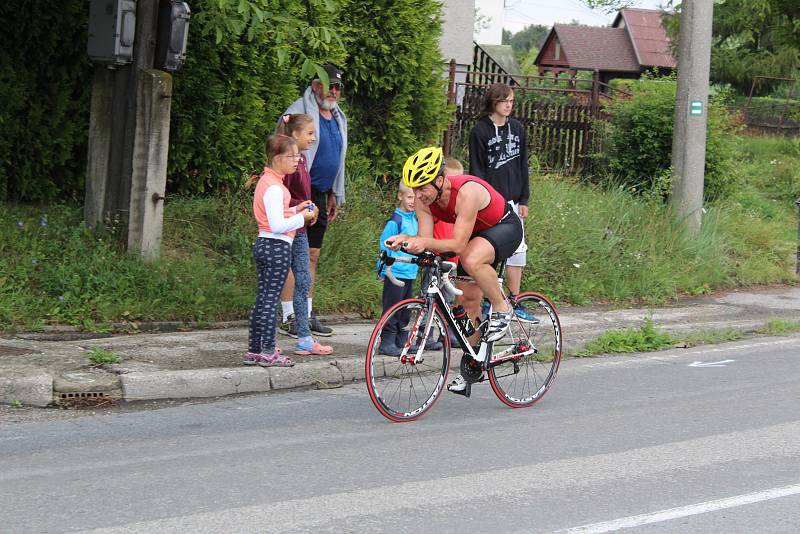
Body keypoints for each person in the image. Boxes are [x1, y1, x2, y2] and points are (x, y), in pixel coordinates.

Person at [385, 147, 523, 394]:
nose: (418, 195)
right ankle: (473, 365)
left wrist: (422, 242)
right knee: (467, 302)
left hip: (504, 227)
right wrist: (405, 241)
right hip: (476, 235)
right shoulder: (423, 200)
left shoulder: (465, 193)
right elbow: (427, 240)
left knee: (470, 258)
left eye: (423, 187)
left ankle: (502, 307)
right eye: (414, 189)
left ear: (440, 180)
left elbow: (458, 245)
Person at [280, 64, 348, 336]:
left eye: (337, 87)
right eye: (328, 85)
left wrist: (333, 193)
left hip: (320, 193)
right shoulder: (297, 112)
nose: (333, 91)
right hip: (296, 192)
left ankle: (306, 313)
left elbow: (337, 157)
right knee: (290, 254)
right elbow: (280, 151)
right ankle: (289, 315)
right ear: (314, 85)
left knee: (312, 255)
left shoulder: (338, 117)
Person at [242, 135, 316, 367]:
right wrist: (302, 217)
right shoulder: (274, 187)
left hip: (266, 245)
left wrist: (296, 207)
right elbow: (277, 225)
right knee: (269, 302)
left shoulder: (269, 182)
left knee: (263, 300)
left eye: (298, 156)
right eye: (291, 156)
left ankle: (254, 350)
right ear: (276, 158)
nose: (297, 160)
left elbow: (277, 215)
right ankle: (267, 352)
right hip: (276, 246)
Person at [468, 82, 536, 322]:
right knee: (491, 250)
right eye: (505, 100)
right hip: (490, 202)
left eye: (512, 101)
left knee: (517, 251)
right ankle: (490, 300)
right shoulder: (480, 131)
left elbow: (522, 165)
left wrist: (524, 198)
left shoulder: (517, 128)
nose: (509, 105)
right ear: (493, 101)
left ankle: (514, 301)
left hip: (513, 200)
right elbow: (476, 169)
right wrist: (479, 202)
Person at [275, 114, 333, 356]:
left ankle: (304, 336)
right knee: (276, 282)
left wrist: (309, 207)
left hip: (300, 228)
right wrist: (303, 208)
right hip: (288, 229)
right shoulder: (287, 164)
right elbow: (282, 196)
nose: (313, 138)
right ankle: (271, 338)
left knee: (303, 280)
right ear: (294, 135)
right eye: (309, 133)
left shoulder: (302, 158)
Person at [376, 183, 420, 356]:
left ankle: (402, 339)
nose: (413, 201)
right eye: (410, 197)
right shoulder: (396, 221)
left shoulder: (416, 218)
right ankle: (387, 340)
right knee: (392, 307)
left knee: (406, 308)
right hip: (395, 272)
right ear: (400, 196)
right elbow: (385, 244)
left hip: (410, 271)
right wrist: (383, 269)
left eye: (416, 197)